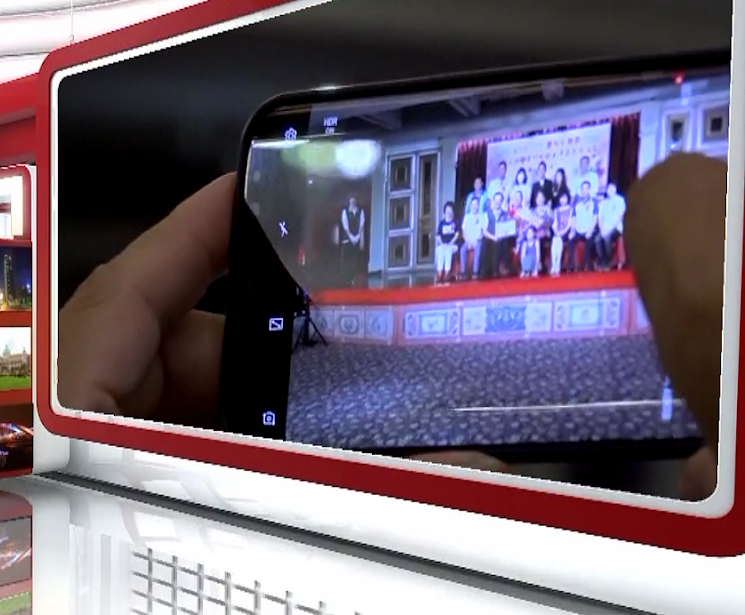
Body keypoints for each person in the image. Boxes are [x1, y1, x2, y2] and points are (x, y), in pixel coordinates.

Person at [56, 153, 724, 501]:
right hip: (496, 230)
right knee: (485, 239)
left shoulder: (561, 191)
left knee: (556, 233)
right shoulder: (481, 201)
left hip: (555, 224)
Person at [338, 194, 366, 286]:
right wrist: (351, 237)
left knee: (355, 260)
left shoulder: (360, 211)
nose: (353, 201)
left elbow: (361, 224)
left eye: (354, 199)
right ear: (349, 201)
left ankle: (354, 279)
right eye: (351, 200)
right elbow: (345, 226)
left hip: (357, 239)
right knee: (347, 260)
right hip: (347, 239)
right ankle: (346, 280)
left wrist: (358, 236)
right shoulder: (345, 211)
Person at [598, 181, 627, 269]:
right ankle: (602, 260)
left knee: (607, 237)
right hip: (604, 228)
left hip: (616, 227)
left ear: (615, 190)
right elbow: (600, 217)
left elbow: (620, 216)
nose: (610, 191)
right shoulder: (604, 202)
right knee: (597, 240)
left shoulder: (620, 200)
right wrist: (602, 228)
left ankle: (608, 261)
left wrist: (609, 229)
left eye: (612, 189)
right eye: (608, 189)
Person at [570, 181, 598, 272]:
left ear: (589, 190)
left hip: (589, 229)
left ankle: (587, 264)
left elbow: (595, 218)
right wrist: (572, 230)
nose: (585, 190)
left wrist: (590, 230)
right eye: (583, 189)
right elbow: (573, 217)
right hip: (578, 230)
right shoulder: (577, 203)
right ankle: (572, 265)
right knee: (570, 240)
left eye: (586, 188)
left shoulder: (594, 202)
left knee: (589, 240)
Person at [460, 195, 484, 281]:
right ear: (470, 206)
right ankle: (463, 272)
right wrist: (468, 241)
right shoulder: (467, 217)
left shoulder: (482, 216)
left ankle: (475, 271)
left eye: (476, 204)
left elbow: (483, 231)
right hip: (468, 240)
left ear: (478, 205)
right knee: (462, 249)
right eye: (473, 204)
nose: (474, 206)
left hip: (477, 240)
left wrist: (478, 240)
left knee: (478, 247)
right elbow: (464, 232)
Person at [550, 189, 573, 276]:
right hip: (558, 232)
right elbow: (555, 222)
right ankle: (554, 264)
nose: (563, 200)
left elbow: (570, 223)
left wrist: (562, 232)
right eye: (561, 198)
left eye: (565, 198)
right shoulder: (557, 210)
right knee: (555, 239)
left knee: (558, 239)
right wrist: (556, 231)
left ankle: (558, 263)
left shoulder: (570, 209)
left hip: (566, 231)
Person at [435, 201, 458, 284]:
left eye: (450, 210)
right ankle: (439, 272)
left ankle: (447, 272)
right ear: (445, 211)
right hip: (443, 244)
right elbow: (438, 236)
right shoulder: (441, 223)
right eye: (447, 210)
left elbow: (457, 235)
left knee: (448, 249)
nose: (448, 212)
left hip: (453, 245)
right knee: (441, 250)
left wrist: (451, 242)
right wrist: (441, 243)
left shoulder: (455, 222)